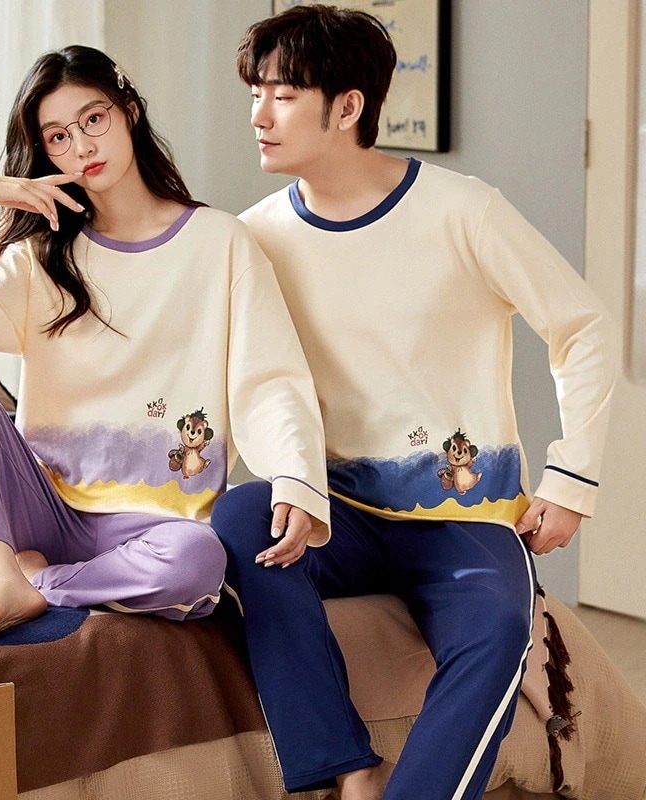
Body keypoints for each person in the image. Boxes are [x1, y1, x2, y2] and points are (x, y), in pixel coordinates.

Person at [211, 6, 618, 800]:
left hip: (466, 517)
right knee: (239, 516)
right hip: (335, 513)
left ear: (348, 107)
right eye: (255, 94)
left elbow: (584, 328)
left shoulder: (464, 211)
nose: (259, 116)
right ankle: (345, 762)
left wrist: (571, 481)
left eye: (283, 95)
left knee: (500, 630)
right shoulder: (253, 238)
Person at [0, 44, 330, 644]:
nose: (81, 147)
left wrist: (295, 478)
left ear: (129, 110)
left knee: (199, 559)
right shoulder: (41, 255)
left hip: (155, 526)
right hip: (40, 506)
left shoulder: (220, 243)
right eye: (58, 137)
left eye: (93, 119)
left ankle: (31, 580)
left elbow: (270, 379)